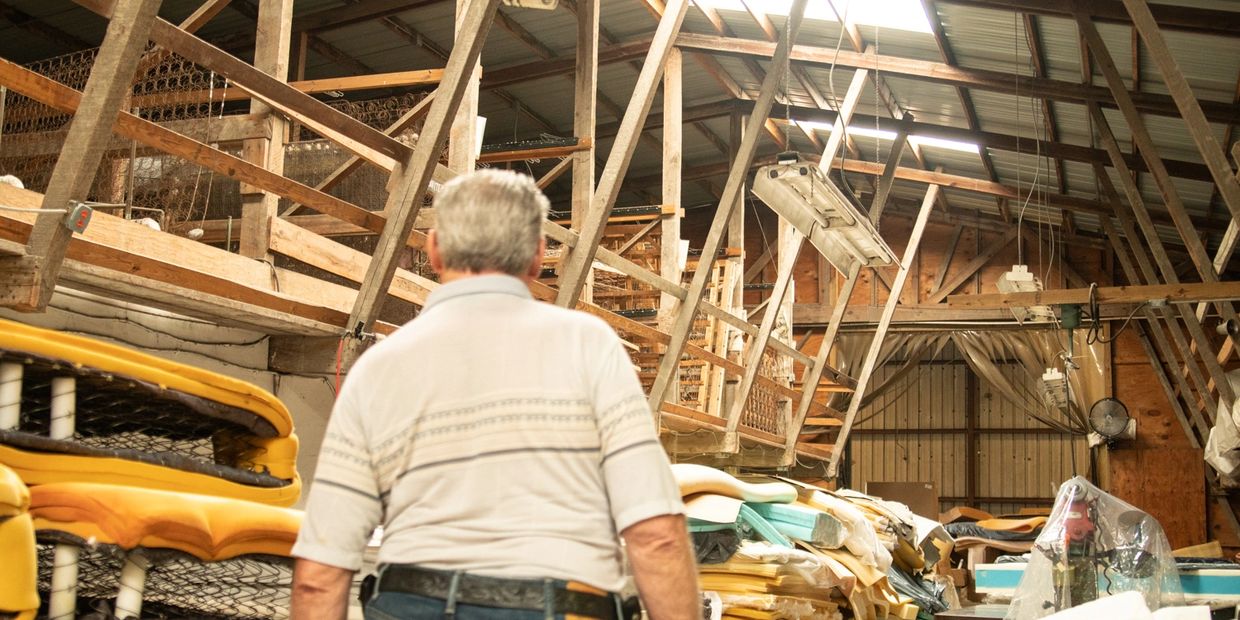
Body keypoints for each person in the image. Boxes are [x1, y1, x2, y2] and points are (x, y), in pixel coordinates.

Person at [290, 170, 700, 620]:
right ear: (538, 256)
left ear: (434, 250)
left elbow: (320, 572)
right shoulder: (587, 345)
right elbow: (655, 535)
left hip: (409, 603)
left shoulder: (377, 369)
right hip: (556, 606)